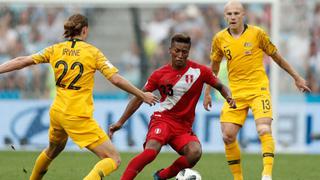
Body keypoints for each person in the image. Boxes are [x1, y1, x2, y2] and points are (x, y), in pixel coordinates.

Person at [0, 14, 158, 180]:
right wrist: (142, 94)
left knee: (53, 150)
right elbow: (116, 79)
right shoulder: (92, 52)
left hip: (57, 113)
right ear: (85, 30)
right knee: (113, 159)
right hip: (77, 115)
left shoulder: (55, 49)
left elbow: (22, 60)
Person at [203, 1, 311, 180]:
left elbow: (277, 57)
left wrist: (297, 78)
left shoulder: (257, 34)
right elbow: (213, 69)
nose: (233, 17)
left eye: (236, 13)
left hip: (258, 89)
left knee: (263, 129)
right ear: (225, 16)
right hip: (235, 93)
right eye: (229, 14)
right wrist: (207, 92)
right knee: (228, 136)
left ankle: (266, 174)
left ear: (243, 15)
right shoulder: (219, 39)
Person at [108, 33, 236, 180]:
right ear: (170, 50)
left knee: (195, 152)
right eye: (177, 51)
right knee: (151, 151)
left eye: (184, 52)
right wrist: (120, 122)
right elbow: (138, 98)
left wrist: (229, 97)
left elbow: (221, 86)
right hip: (163, 120)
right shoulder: (159, 74)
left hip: (183, 127)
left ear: (189, 52)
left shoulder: (200, 71)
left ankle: (161, 176)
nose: (180, 55)